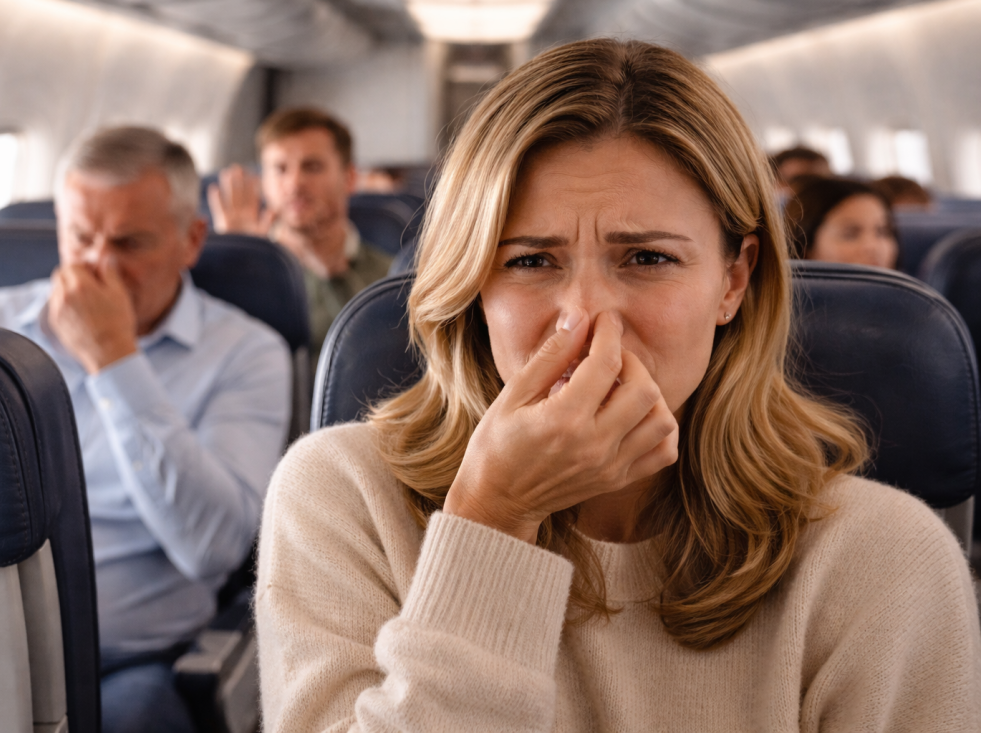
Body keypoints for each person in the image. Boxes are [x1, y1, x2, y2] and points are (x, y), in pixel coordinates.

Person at [254, 38, 981, 731]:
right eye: (532, 261)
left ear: (733, 279)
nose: (587, 318)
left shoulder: (881, 562)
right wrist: (492, 518)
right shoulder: (341, 500)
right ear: (474, 284)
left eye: (646, 258)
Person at [0, 126, 292, 733]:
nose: (99, 264)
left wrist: (114, 362)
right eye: (80, 237)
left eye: (130, 242)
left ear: (190, 241)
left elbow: (213, 546)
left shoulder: (246, 353)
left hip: (131, 662)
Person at [207, 107, 392, 369]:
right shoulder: (234, 274)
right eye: (280, 169)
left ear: (349, 178)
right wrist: (243, 268)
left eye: (312, 167)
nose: (294, 184)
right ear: (264, 182)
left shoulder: (391, 276)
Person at [786, 176, 899, 268]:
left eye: (884, 232)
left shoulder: (910, 294)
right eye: (850, 235)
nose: (873, 247)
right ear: (805, 248)